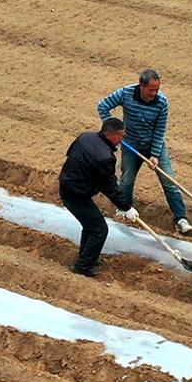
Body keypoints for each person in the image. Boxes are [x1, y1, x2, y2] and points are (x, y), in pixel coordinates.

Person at [96, 68, 191, 234]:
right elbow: (103, 106)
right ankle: (125, 210)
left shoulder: (162, 102)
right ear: (141, 86)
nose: (154, 93)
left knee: (169, 181)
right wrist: (115, 131)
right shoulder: (125, 93)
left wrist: (154, 154)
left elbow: (160, 130)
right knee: (126, 180)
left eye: (157, 89)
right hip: (130, 144)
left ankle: (181, 218)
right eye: (151, 89)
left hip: (154, 144)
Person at [57, 117, 125, 276]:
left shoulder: (85, 136)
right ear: (109, 135)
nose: (122, 140)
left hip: (68, 184)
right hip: (76, 194)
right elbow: (109, 185)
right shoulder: (105, 157)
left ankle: (87, 257)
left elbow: (70, 153)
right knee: (99, 229)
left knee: (91, 225)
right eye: (120, 136)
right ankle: (83, 266)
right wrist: (125, 206)